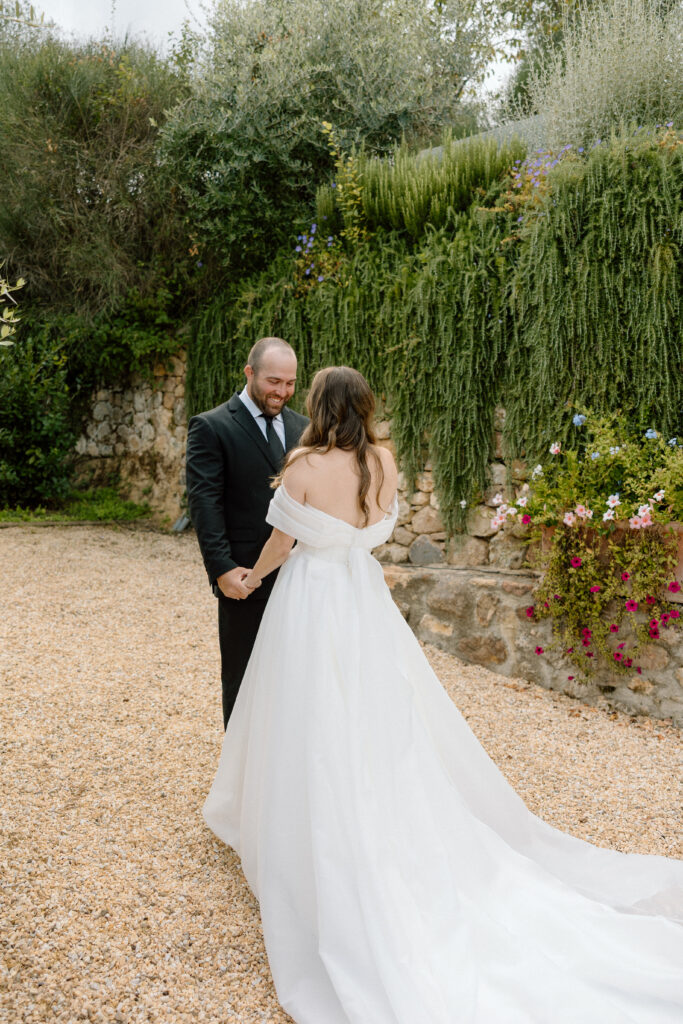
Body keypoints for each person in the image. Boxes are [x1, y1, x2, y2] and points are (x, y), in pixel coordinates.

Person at [202, 366, 683, 1023]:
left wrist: (249, 579)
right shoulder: (384, 461)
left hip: (313, 597)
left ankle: (306, 827)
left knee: (308, 709)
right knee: (370, 710)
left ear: (316, 405)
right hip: (361, 595)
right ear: (365, 408)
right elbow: (373, 533)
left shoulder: (304, 464)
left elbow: (282, 542)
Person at [185, 336, 308, 729]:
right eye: (274, 382)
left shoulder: (303, 427)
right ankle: (239, 781)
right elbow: (205, 503)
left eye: (289, 384)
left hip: (299, 578)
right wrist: (222, 570)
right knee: (242, 679)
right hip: (244, 578)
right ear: (249, 372)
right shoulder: (212, 426)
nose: (282, 392)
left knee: (295, 681)